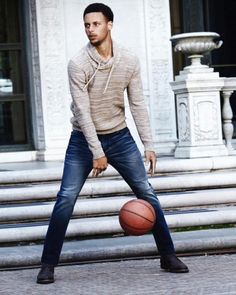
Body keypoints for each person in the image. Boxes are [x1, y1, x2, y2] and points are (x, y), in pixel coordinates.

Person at [37, 2, 189, 284]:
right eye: (86, 24)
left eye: (95, 24)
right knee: (66, 198)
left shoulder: (129, 60)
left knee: (146, 192)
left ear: (109, 25)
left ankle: (168, 255)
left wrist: (149, 144)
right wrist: (97, 152)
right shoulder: (78, 64)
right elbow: (82, 112)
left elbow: (138, 103)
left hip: (120, 137)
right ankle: (47, 264)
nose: (90, 29)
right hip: (83, 140)